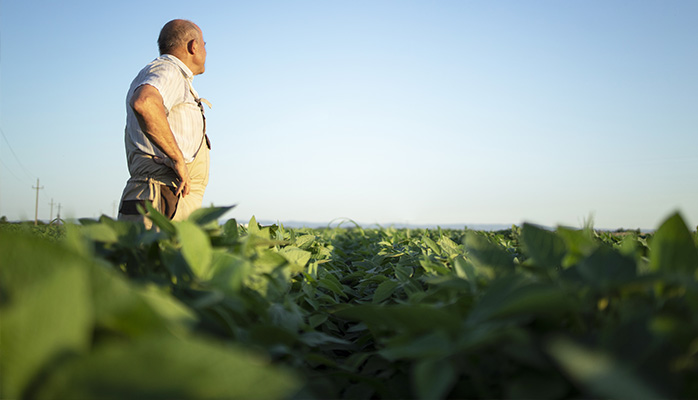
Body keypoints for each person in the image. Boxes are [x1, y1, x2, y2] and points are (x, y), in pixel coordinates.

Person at [118, 19, 211, 227]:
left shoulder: (164, 73)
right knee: (154, 258)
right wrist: (177, 158)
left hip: (165, 197)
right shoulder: (169, 70)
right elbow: (145, 102)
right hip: (161, 197)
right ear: (193, 46)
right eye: (205, 44)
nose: (206, 50)